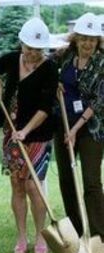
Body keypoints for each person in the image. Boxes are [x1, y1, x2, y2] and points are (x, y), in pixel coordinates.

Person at [0, 18, 58, 253]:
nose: (31, 53)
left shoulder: (49, 69)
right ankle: (21, 237)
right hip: (11, 133)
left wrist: (26, 131)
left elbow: (45, 108)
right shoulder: (14, 58)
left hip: (38, 135)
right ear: (21, 43)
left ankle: (39, 236)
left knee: (33, 185)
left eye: (37, 49)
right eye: (28, 47)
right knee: (17, 185)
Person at [52, 13, 104, 239]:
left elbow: (99, 101)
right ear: (76, 39)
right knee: (67, 180)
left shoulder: (102, 62)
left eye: (92, 39)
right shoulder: (64, 57)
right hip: (63, 124)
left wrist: (75, 130)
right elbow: (42, 69)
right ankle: (76, 231)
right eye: (83, 38)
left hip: (91, 128)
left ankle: (98, 235)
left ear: (97, 41)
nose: (87, 43)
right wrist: (55, 84)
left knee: (91, 182)